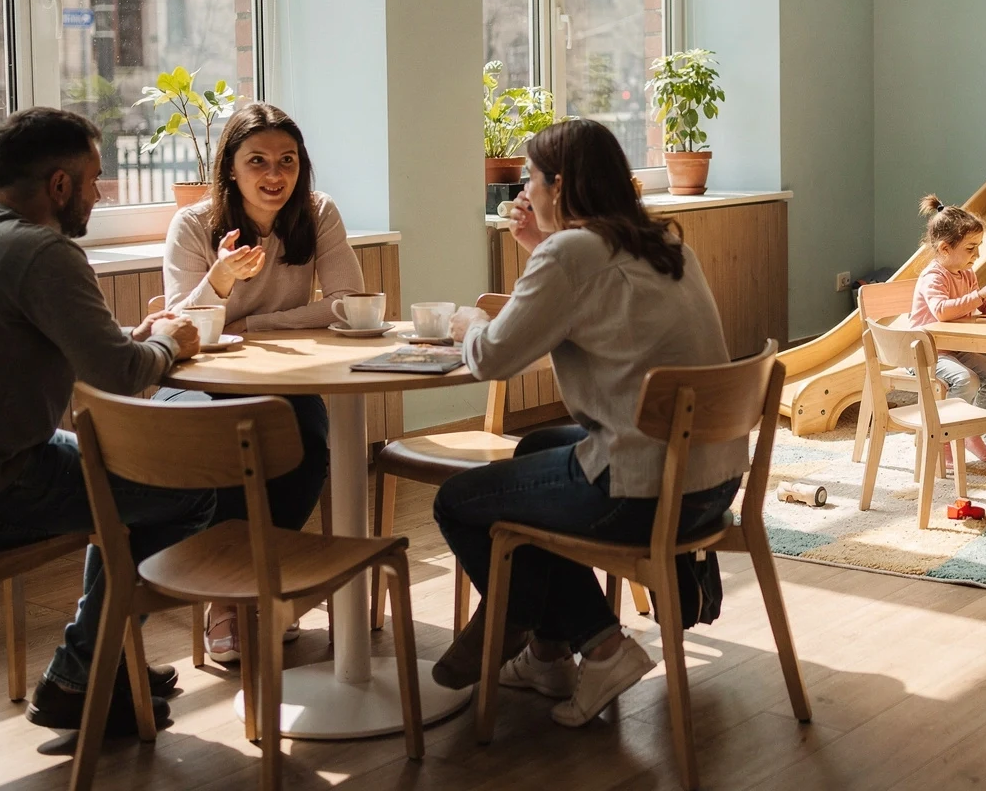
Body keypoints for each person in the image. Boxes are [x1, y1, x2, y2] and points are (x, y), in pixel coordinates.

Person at [0, 107, 211, 736]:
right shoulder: (42, 251)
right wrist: (169, 346)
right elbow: (117, 376)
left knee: (119, 470)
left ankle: (110, 660)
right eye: (94, 180)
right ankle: (83, 674)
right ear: (60, 186)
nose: (100, 193)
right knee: (186, 482)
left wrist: (132, 343)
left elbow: (80, 350)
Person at [430, 119, 740, 728]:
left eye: (531, 178)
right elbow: (587, 301)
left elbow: (494, 357)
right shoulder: (664, 242)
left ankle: (599, 646)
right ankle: (547, 652)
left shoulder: (572, 253)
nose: (525, 189)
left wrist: (468, 325)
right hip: (711, 484)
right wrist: (537, 251)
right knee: (537, 449)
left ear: (560, 184)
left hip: (643, 496)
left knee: (460, 501)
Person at [159, 102, 360, 662]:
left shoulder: (317, 214)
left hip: (282, 380)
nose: (275, 176)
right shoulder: (194, 225)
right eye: (258, 162)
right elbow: (178, 327)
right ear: (230, 168)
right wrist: (220, 280)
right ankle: (229, 599)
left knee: (306, 445)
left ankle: (258, 583)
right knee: (217, 445)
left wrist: (257, 323)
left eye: (287, 161)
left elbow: (347, 303)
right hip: (200, 381)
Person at [909, 196, 986, 464]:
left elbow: (975, 308)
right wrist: (980, 296)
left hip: (954, 348)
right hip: (926, 353)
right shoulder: (933, 276)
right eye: (970, 248)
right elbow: (943, 310)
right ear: (945, 249)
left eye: (977, 247)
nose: (976, 255)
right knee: (966, 380)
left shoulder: (967, 274)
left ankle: (971, 433)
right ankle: (945, 436)